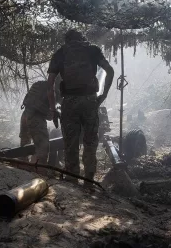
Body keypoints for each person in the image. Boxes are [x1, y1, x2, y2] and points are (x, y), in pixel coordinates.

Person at [46, 29, 114, 188]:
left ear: (66, 40)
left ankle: (72, 183)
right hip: (90, 101)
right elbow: (109, 70)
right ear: (82, 38)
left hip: (69, 102)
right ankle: (89, 183)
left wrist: (53, 109)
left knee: (71, 143)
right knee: (90, 141)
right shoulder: (93, 50)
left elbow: (49, 85)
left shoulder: (60, 53)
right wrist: (103, 95)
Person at [19, 80, 51, 172]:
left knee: (24, 147)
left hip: (25, 115)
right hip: (36, 119)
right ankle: (39, 173)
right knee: (42, 147)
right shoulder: (54, 88)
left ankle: (22, 170)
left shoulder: (39, 84)